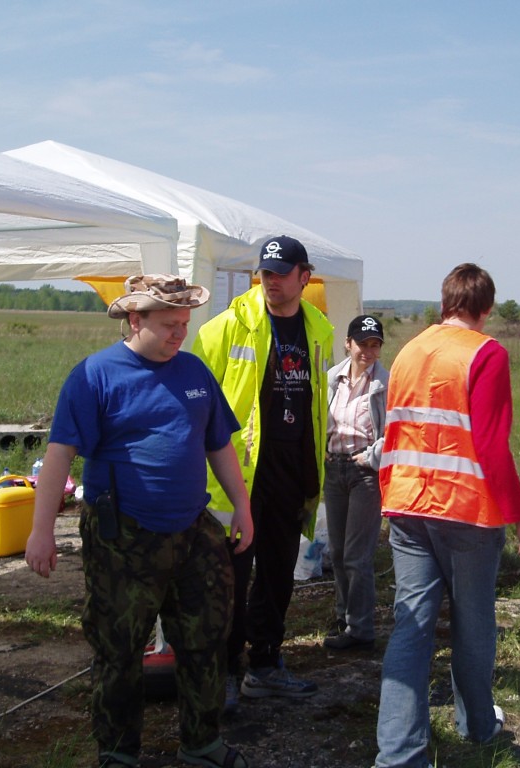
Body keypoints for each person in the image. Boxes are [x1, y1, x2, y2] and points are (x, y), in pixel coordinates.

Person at [25, 274, 253, 768]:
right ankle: (118, 752)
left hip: (191, 531)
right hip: (123, 538)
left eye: (184, 324)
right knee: (119, 649)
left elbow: (219, 444)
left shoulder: (194, 372)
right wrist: (41, 531)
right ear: (135, 319)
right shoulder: (95, 376)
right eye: (169, 325)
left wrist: (242, 506)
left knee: (206, 638)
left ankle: (201, 743)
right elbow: (60, 454)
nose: (180, 334)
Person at [374, 263, 520, 768]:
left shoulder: (408, 351)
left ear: (445, 301)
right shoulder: (486, 353)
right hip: (466, 512)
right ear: (487, 308)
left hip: (406, 504)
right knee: (473, 624)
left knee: (411, 626)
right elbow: (491, 447)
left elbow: (395, 430)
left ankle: (397, 755)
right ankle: (477, 726)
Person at [192, 235, 334, 708]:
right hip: (240, 474)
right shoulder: (223, 329)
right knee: (231, 577)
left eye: (281, 273)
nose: (271, 281)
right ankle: (226, 672)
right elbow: (198, 409)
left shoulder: (319, 329)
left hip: (292, 471)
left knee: (278, 571)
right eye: (266, 272)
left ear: (304, 277)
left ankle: (266, 663)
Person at [322, 314, 390, 652]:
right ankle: (344, 617)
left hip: (365, 473)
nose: (368, 351)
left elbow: (397, 430)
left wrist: (372, 456)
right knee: (336, 552)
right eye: (362, 343)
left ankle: (361, 630)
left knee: (356, 555)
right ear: (347, 344)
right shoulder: (332, 378)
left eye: (375, 344)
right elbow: (320, 418)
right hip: (334, 469)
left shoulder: (386, 384)